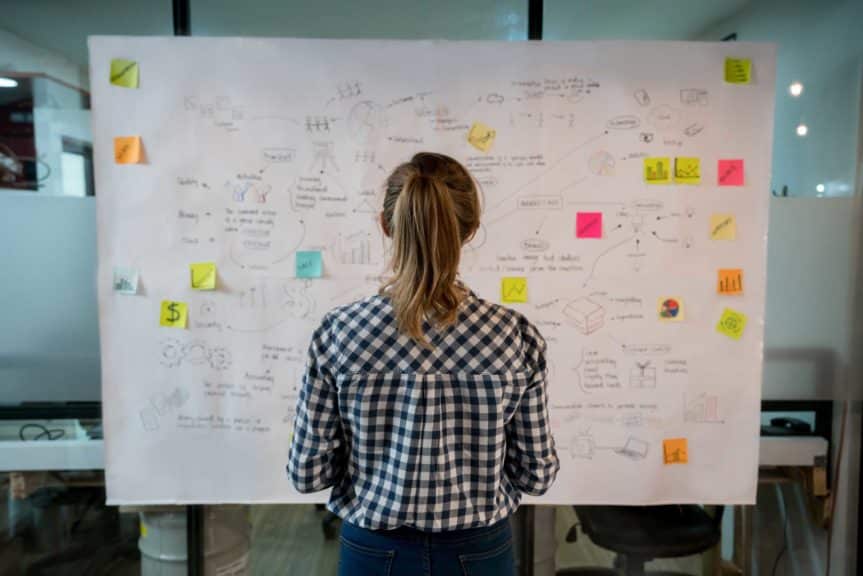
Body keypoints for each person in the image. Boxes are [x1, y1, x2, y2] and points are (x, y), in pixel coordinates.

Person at [288, 152, 559, 576]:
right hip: (480, 551)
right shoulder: (514, 334)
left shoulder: (339, 332)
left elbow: (307, 473)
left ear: (385, 225)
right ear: (468, 231)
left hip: (374, 551)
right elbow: (537, 475)